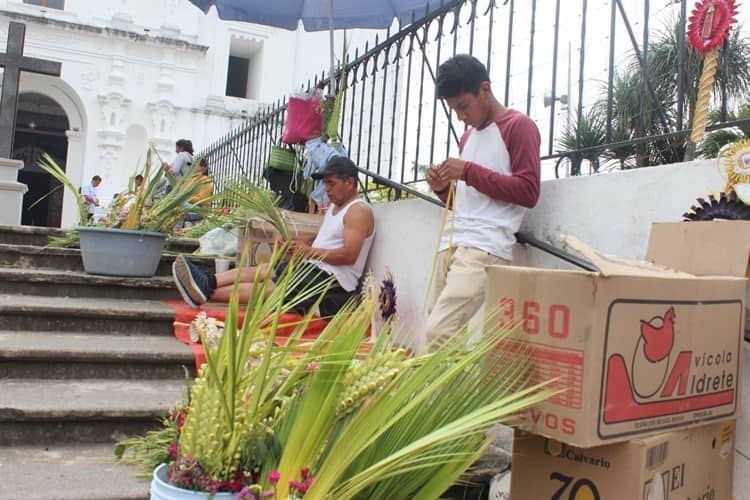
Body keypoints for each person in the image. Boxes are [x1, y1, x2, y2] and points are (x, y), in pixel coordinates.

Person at [424, 54, 541, 348]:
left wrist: (468, 171)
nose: (461, 116)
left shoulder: (519, 126)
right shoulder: (467, 138)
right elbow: (466, 202)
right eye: (454, 109)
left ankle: (451, 396)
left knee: (439, 332)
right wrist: (442, 189)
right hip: (452, 241)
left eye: (463, 106)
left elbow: (529, 191)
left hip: (485, 246)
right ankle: (451, 395)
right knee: (442, 333)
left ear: (484, 90)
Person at [172, 157, 375, 317]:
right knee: (267, 269)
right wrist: (301, 244)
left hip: (332, 281)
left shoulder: (358, 211)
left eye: (331, 183)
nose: (326, 189)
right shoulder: (336, 207)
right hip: (317, 269)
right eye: (325, 184)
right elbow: (328, 237)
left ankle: (203, 292)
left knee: (271, 286)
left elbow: (350, 255)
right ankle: (209, 282)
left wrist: (309, 251)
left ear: (350, 182)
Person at [179, 158, 214, 228]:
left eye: (195, 165)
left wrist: (186, 198)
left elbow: (203, 199)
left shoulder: (205, 180)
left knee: (179, 204)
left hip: (201, 210)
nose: (193, 167)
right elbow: (180, 193)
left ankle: (177, 229)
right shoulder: (191, 179)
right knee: (173, 202)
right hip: (189, 207)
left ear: (204, 167)